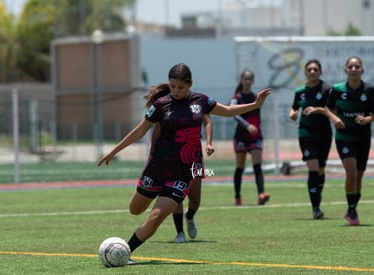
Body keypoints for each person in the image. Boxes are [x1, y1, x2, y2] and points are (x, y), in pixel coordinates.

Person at [97, 63, 271, 264]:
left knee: (156, 216)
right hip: (158, 167)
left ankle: (126, 252)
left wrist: (256, 105)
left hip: (184, 171)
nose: (176, 91)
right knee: (135, 209)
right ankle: (161, 204)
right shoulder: (161, 104)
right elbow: (139, 131)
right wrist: (113, 151)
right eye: (172, 86)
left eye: (180, 87)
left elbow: (229, 110)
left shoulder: (201, 101)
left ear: (190, 84)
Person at [325, 56, 374, 226]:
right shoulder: (337, 89)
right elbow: (327, 108)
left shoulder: (369, 90)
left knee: (359, 177)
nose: (354, 69)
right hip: (344, 137)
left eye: (357, 66)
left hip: (363, 138)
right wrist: (335, 119)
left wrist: (366, 120)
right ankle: (352, 210)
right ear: (345, 70)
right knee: (352, 172)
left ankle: (351, 209)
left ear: (362, 70)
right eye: (351, 66)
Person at [150, 115, 214, 243]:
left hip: (193, 157)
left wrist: (208, 143)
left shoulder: (198, 101)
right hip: (172, 158)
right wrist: (153, 154)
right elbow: (156, 130)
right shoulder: (167, 106)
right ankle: (180, 233)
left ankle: (189, 216)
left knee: (195, 200)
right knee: (176, 196)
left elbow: (207, 121)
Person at [289, 59, 332, 219]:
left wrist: (317, 110)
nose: (312, 72)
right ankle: (315, 208)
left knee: (320, 169)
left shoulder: (327, 89)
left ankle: (317, 200)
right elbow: (294, 107)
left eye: (315, 69)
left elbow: (331, 110)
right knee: (313, 168)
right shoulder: (300, 91)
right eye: (309, 69)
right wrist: (292, 113)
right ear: (305, 72)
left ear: (320, 72)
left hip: (324, 133)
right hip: (306, 133)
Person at [230, 69, 270, 206]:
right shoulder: (237, 98)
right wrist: (247, 126)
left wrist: (254, 128)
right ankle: (237, 197)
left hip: (255, 137)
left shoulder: (256, 97)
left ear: (252, 81)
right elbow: (234, 114)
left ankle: (261, 194)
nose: (247, 81)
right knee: (240, 167)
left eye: (249, 79)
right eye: (245, 79)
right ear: (241, 80)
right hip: (241, 137)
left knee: (257, 166)